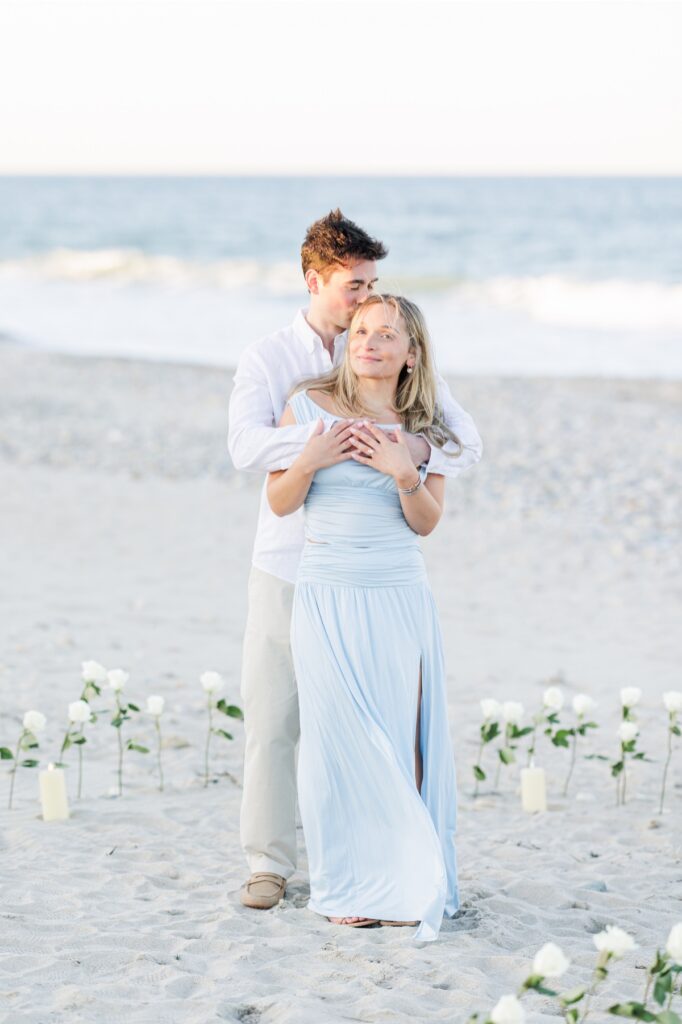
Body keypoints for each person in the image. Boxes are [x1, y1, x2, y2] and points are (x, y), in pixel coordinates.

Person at [227, 210, 482, 915]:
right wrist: (313, 447)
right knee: (279, 721)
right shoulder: (274, 365)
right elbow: (248, 453)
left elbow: (463, 442)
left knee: (390, 729)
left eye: (373, 287)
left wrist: (412, 458)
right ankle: (270, 866)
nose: (365, 302)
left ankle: (392, 864)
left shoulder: (399, 360)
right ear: (317, 282)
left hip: (385, 579)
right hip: (292, 568)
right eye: (354, 288)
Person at [266, 293, 467, 941]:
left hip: (397, 593)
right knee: (334, 740)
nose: (369, 342)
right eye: (360, 330)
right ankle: (345, 882)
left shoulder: (430, 429)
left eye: (386, 335)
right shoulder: (307, 406)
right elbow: (278, 502)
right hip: (326, 591)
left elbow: (427, 525)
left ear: (412, 354)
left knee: (398, 738)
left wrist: (404, 472)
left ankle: (404, 879)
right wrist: (309, 459)